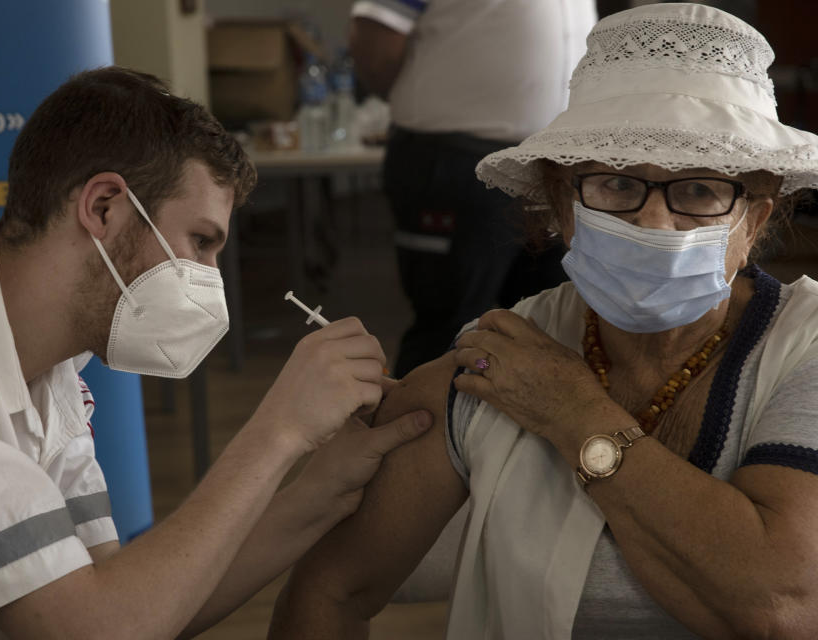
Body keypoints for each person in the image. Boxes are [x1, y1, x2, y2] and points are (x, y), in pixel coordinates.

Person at [270, 4, 818, 638]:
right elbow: (329, 589)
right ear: (563, 202)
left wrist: (573, 412)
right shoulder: (496, 358)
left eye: (699, 191)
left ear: (751, 222)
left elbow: (782, 607)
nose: (654, 223)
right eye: (616, 184)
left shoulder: (803, 349)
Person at [0, 66, 435, 639]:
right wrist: (279, 430)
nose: (211, 281)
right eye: (200, 243)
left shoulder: (45, 366)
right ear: (105, 207)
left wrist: (319, 491)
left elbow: (131, 599)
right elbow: (96, 630)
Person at [348, 0, 598, 377]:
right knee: (450, 324)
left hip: (554, 162)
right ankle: (415, 432)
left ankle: (514, 431)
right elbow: (376, 43)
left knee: (551, 321)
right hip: (455, 160)